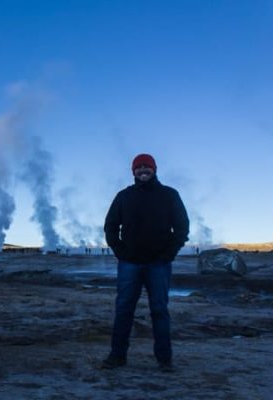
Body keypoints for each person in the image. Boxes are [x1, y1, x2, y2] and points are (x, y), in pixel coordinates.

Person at [102, 153, 189, 372]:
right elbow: (110, 226)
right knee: (123, 309)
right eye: (138, 167)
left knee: (159, 310)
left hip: (158, 264)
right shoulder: (124, 196)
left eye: (146, 167)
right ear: (133, 171)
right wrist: (120, 251)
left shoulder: (169, 195)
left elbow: (182, 227)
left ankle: (164, 360)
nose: (143, 170)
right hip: (129, 263)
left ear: (154, 169)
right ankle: (117, 356)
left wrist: (169, 253)